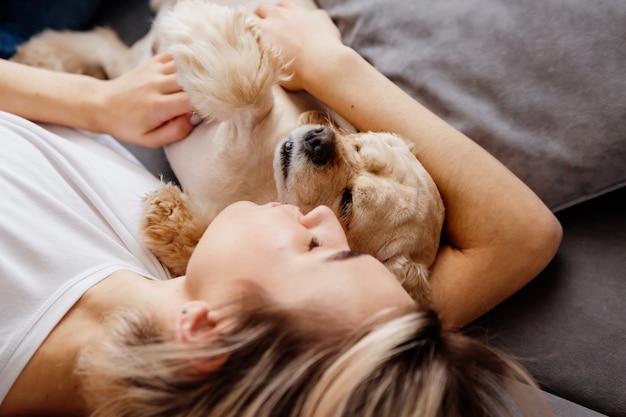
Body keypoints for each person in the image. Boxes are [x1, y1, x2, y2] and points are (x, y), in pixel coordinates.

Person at [0, 1, 562, 416]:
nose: (328, 223)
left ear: (206, 333)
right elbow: (521, 236)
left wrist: (96, 104)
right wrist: (326, 64)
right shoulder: (289, 342)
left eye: (322, 253)